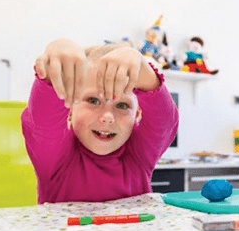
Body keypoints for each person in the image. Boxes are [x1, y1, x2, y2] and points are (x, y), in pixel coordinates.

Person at [21, 39, 179, 204]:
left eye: (122, 105)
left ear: (137, 114)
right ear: (69, 109)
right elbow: (43, 119)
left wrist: (142, 67)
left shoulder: (138, 155)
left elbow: (165, 121)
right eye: (93, 101)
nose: (108, 117)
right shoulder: (55, 158)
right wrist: (57, 62)